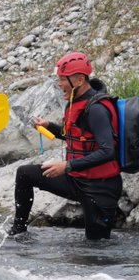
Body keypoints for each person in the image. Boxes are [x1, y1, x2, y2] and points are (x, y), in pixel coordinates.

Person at [9, 51, 122, 240]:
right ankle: (17, 232)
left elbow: (108, 151)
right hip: (77, 179)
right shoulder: (74, 101)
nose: (59, 84)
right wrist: (49, 126)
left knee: (97, 249)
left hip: (100, 189)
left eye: (62, 79)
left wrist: (67, 166)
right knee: (25, 174)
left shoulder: (96, 109)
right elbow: (76, 137)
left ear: (79, 80)